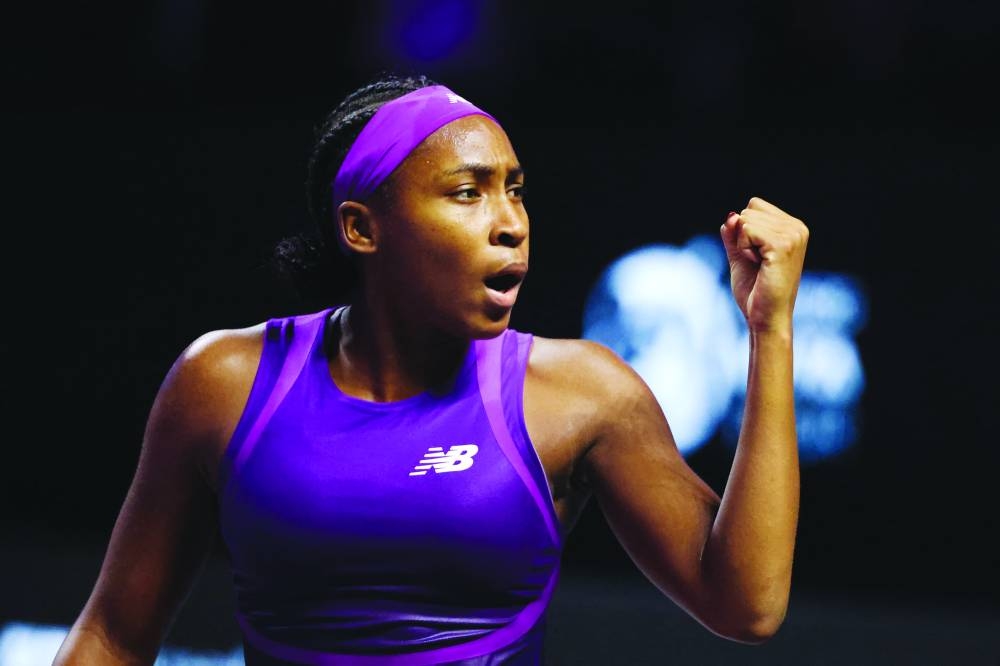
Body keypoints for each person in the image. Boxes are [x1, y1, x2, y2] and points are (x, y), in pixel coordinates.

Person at [53, 74, 808, 665]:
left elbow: (746, 604)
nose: (510, 222)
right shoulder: (223, 383)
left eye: (514, 189)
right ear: (362, 228)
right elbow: (115, 638)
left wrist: (769, 329)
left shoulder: (580, 395)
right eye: (467, 192)